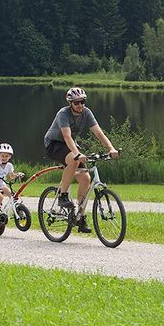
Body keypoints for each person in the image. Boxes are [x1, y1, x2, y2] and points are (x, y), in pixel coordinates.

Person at [43, 87, 119, 233]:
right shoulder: (63, 113)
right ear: (70, 103)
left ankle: (80, 217)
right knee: (74, 160)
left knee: (85, 178)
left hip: (71, 145)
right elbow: (67, 137)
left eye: (82, 102)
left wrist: (111, 148)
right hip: (55, 144)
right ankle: (62, 195)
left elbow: (99, 133)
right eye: (76, 103)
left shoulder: (87, 113)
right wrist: (77, 153)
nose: (80, 105)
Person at [0, 143, 23, 225]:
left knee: (13, 196)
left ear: (9, 157)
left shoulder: (9, 165)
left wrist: (17, 175)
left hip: (2, 184)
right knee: (0, 197)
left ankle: (17, 210)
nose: (4, 158)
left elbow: (12, 176)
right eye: (2, 156)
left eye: (6, 156)